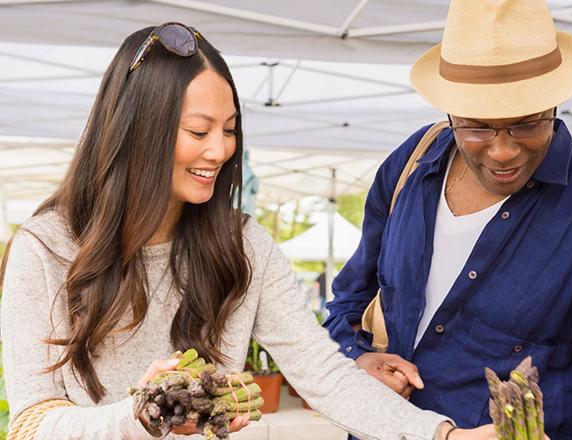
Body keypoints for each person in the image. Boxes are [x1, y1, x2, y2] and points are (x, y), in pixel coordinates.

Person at [0, 23, 494, 440]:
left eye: (230, 129)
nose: (220, 151)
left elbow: (323, 375)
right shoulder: (48, 247)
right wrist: (141, 414)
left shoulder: (242, 244)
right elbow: (29, 423)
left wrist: (443, 435)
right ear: (138, 129)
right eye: (199, 132)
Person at [325, 1, 572, 439]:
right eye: (477, 127)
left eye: (527, 123)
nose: (502, 150)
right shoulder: (412, 163)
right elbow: (346, 304)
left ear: (556, 101)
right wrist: (357, 357)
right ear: (449, 112)